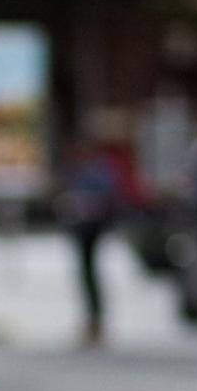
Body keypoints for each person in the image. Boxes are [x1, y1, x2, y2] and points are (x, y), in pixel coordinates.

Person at [54, 129, 123, 346]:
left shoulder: (96, 170)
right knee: (85, 273)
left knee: (90, 272)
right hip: (80, 226)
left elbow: (107, 195)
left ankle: (97, 322)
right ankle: (92, 321)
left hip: (92, 226)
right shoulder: (77, 170)